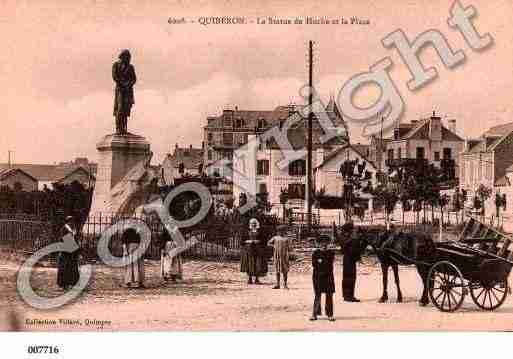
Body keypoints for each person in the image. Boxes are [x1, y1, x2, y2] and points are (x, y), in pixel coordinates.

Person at [310, 235, 336, 322]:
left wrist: (321, 262)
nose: (324, 245)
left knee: (329, 295)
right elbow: (314, 264)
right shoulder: (315, 253)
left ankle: (330, 314)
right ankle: (314, 314)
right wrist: (320, 263)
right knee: (317, 295)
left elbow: (329, 264)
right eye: (321, 243)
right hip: (317, 277)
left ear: (328, 244)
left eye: (325, 243)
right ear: (319, 244)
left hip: (328, 276)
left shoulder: (331, 253)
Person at [112, 49, 136, 134]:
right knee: (120, 108)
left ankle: (124, 128)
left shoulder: (131, 67)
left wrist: (128, 84)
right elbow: (115, 77)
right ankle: (118, 128)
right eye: (128, 57)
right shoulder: (116, 65)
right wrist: (123, 84)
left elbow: (134, 79)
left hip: (128, 91)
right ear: (123, 56)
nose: (129, 58)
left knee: (126, 110)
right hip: (120, 90)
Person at [240, 218, 267, 284]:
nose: (253, 224)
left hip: (258, 250)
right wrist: (248, 241)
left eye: (254, 223)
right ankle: (250, 279)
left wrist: (258, 241)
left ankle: (257, 279)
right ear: (250, 224)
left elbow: (264, 241)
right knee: (250, 264)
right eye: (252, 223)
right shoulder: (246, 231)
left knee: (258, 264)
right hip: (249, 250)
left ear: (257, 224)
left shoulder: (260, 231)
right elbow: (242, 241)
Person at [57, 216, 80, 290]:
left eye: (73, 221)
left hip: (72, 251)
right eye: (71, 221)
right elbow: (64, 240)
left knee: (72, 267)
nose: (73, 223)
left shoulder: (73, 230)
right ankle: (63, 284)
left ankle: (72, 283)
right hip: (66, 251)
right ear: (68, 222)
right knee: (65, 267)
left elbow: (76, 240)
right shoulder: (64, 229)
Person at [341, 222, 362, 302]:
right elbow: (347, 248)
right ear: (349, 230)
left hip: (350, 259)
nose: (353, 230)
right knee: (349, 278)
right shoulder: (346, 237)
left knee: (350, 278)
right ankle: (348, 296)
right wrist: (354, 239)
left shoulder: (348, 237)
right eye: (352, 229)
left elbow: (355, 249)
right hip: (348, 259)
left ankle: (348, 295)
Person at [268, 225, 290, 289]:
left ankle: (285, 284)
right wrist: (273, 246)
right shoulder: (275, 238)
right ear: (277, 232)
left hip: (284, 256)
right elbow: (268, 243)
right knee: (277, 270)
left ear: (284, 231)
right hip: (277, 256)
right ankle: (277, 284)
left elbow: (289, 248)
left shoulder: (286, 239)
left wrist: (288, 254)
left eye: (282, 231)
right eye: (279, 231)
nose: (281, 232)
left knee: (285, 270)